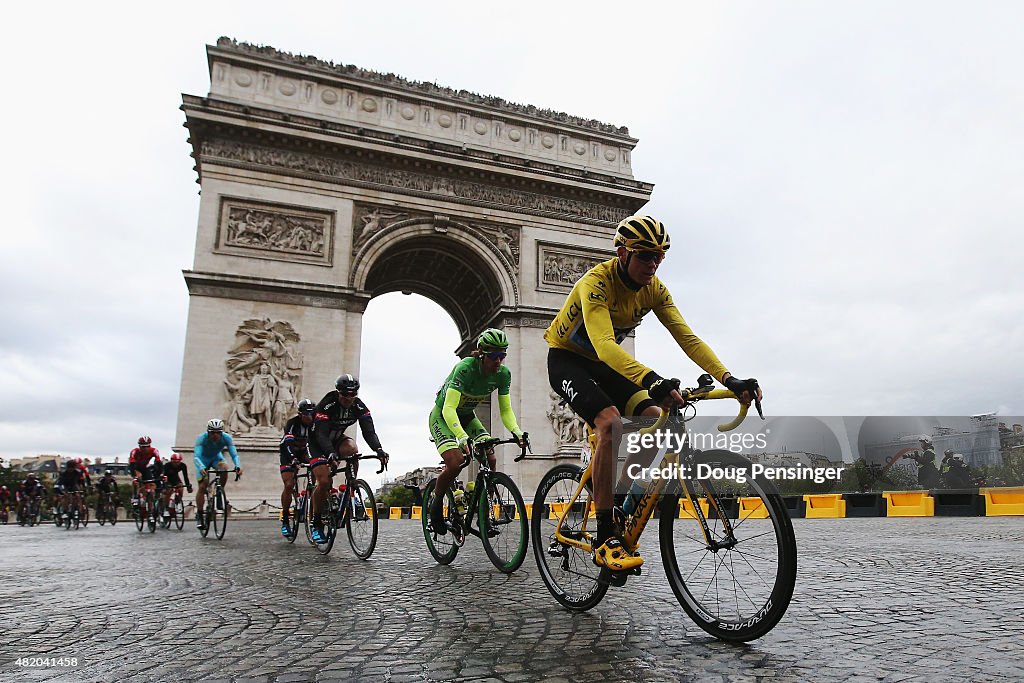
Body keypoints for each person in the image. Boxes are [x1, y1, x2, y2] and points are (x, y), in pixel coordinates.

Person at [544, 215, 761, 572]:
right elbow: (602, 345)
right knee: (611, 424)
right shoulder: (596, 282)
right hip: (568, 359)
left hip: (604, 363)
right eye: (645, 255)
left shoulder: (654, 289)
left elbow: (687, 337)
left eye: (660, 256)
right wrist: (654, 380)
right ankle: (604, 533)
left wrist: (729, 378)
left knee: (655, 420)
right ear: (622, 252)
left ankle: (619, 504)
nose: (653, 264)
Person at [427, 328, 526, 535]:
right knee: (455, 462)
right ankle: (436, 506)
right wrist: (462, 438)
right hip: (443, 416)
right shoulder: (465, 368)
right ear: (481, 354)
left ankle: (482, 512)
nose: (498, 361)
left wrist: (517, 432)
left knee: (490, 458)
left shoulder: (503, 375)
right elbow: (448, 409)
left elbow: (506, 410)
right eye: (493, 356)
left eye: (502, 355)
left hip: (467, 416)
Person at [307, 375, 389, 544]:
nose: (349, 399)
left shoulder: (358, 406)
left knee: (353, 449)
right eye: (345, 395)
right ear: (338, 393)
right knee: (323, 483)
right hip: (317, 442)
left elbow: (369, 432)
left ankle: (350, 490)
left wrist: (379, 450)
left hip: (337, 439)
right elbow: (321, 434)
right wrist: (330, 453)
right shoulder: (328, 403)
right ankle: (316, 523)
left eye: (353, 395)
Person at [193, 418, 243, 528]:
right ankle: (200, 515)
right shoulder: (201, 439)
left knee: (224, 468)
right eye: (212, 433)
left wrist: (238, 466)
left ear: (222, 432)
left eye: (218, 433)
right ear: (208, 432)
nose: (215, 435)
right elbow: (196, 456)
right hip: (202, 460)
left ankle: (220, 491)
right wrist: (201, 467)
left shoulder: (227, 438)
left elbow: (234, 455)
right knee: (203, 486)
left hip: (216, 458)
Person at [278, 398, 316, 537]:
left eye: (312, 414)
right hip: (288, 452)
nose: (310, 417)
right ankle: (286, 518)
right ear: (300, 414)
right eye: (307, 415)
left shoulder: (315, 424)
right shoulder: (292, 423)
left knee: (316, 471)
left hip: (304, 451)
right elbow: (288, 442)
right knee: (289, 484)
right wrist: (293, 459)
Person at [160, 453, 193, 522]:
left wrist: (188, 486)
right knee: (168, 491)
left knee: (181, 488)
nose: (176, 464)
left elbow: (185, 477)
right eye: (174, 462)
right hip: (167, 479)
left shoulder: (183, 465)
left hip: (175, 478)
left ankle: (177, 502)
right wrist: (165, 485)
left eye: (178, 462)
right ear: (171, 461)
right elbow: (163, 476)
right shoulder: (167, 465)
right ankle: (166, 508)